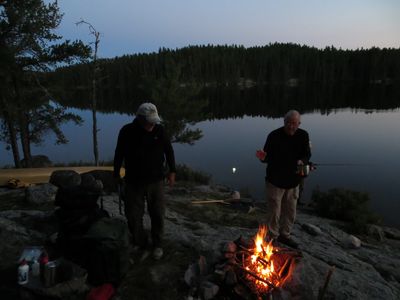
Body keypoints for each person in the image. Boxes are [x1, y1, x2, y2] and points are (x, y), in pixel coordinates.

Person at [113, 102, 176, 260]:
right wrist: (116, 174)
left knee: (158, 214)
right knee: (133, 215)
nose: (152, 124)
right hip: (134, 181)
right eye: (149, 121)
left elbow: (169, 150)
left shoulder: (159, 131)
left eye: (154, 120)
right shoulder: (127, 131)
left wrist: (172, 171)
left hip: (156, 181)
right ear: (140, 118)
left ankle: (157, 244)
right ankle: (140, 242)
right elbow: (119, 153)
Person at [256, 110, 311, 248]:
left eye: (294, 123)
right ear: (284, 122)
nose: (291, 126)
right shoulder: (274, 136)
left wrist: (302, 161)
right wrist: (262, 157)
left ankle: (285, 235)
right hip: (275, 181)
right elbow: (266, 158)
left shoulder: (303, 135)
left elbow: (307, 155)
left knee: (290, 211)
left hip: (293, 182)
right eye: (288, 123)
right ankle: (272, 236)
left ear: (299, 123)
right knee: (274, 212)